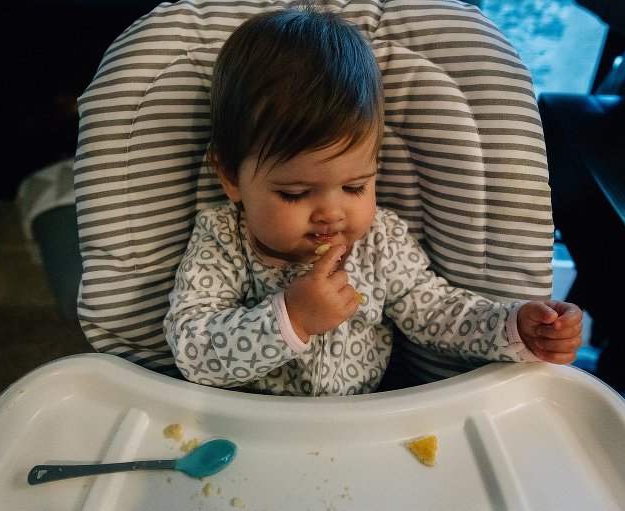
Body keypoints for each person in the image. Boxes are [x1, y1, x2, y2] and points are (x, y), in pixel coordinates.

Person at [163, 6, 583, 396]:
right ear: (230, 177)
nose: (332, 213)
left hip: (367, 423)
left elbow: (434, 310)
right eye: (295, 193)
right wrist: (291, 317)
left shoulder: (380, 242)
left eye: (354, 187)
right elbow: (192, 350)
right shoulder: (223, 242)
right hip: (246, 426)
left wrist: (511, 326)